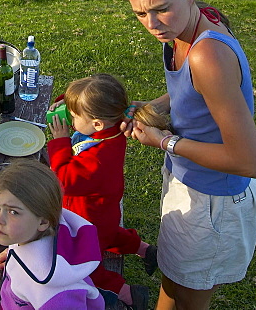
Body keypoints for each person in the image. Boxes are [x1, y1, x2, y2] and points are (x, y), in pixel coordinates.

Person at [116, 0, 256, 310]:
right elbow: (191, 91)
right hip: (189, 181)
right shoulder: (182, 30)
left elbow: (250, 162)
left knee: (190, 299)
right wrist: (157, 106)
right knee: (171, 277)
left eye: (160, 9)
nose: (152, 24)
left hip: (214, 200)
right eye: (140, 13)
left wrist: (164, 141)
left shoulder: (207, 54)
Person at [47, 73, 168, 309]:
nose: (69, 120)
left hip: (86, 218)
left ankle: (127, 293)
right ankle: (145, 250)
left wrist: (60, 142)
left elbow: (64, 179)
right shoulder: (108, 131)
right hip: (103, 210)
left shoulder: (98, 158)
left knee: (83, 260)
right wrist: (67, 102)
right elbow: (89, 106)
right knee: (109, 234)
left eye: (73, 115)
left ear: (97, 123)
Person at [0, 159, 106, 310]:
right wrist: (15, 252)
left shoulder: (56, 298)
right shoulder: (29, 234)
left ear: (43, 222)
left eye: (13, 212)